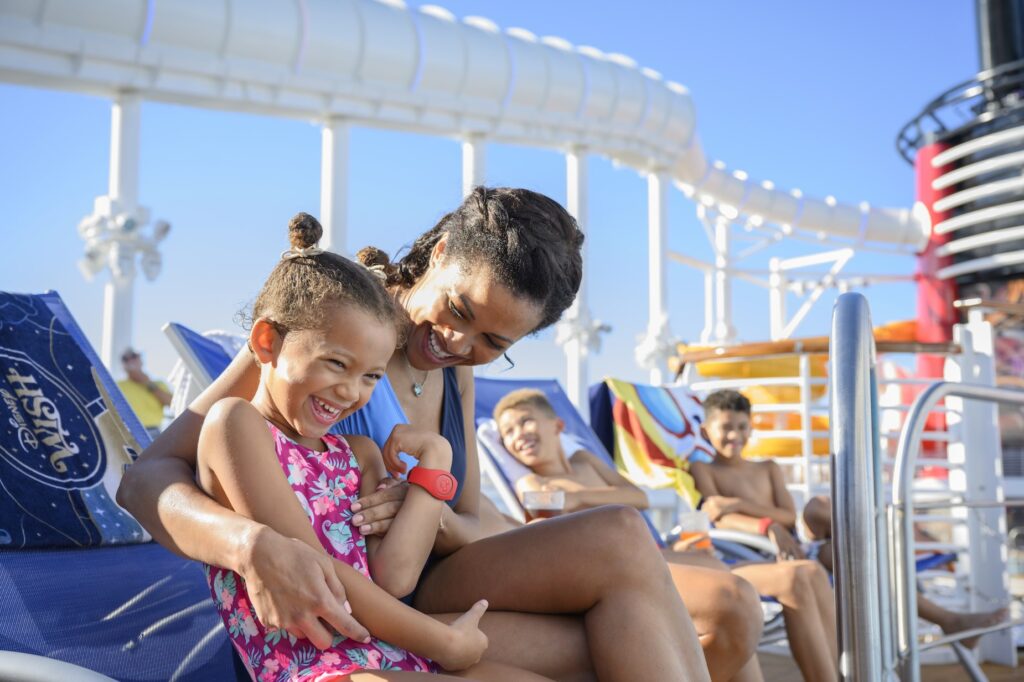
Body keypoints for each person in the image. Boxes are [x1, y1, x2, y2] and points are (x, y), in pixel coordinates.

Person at [118, 188, 715, 682]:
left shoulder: (452, 377)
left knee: (663, 581)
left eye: (493, 344)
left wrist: (426, 501)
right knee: (624, 614)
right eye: (459, 310)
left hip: (416, 577)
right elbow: (146, 480)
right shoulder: (333, 320)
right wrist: (250, 546)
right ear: (441, 251)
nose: (459, 344)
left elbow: (470, 521)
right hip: (365, 610)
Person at [493, 388, 839, 682]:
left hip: (654, 550)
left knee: (727, 584)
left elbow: (638, 497)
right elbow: (574, 507)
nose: (517, 434)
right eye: (506, 432)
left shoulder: (584, 460)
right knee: (730, 592)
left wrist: (580, 497)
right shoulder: (534, 485)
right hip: (619, 563)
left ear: (557, 426)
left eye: (524, 421)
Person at [691, 389, 1009, 654]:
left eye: (743, 427)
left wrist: (740, 504)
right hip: (758, 554)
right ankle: (944, 615)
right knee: (856, 557)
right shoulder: (704, 470)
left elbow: (787, 516)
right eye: (726, 427)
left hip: (797, 547)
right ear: (707, 430)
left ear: (751, 428)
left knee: (819, 507)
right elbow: (719, 518)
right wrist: (765, 525)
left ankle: (885, 550)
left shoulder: (768, 468)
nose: (736, 435)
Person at [118, 347, 172, 438]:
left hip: (153, 432)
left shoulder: (159, 384)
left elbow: (171, 403)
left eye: (133, 356)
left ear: (140, 360)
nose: (130, 360)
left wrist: (146, 383)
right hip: (126, 432)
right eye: (125, 359)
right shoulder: (117, 386)